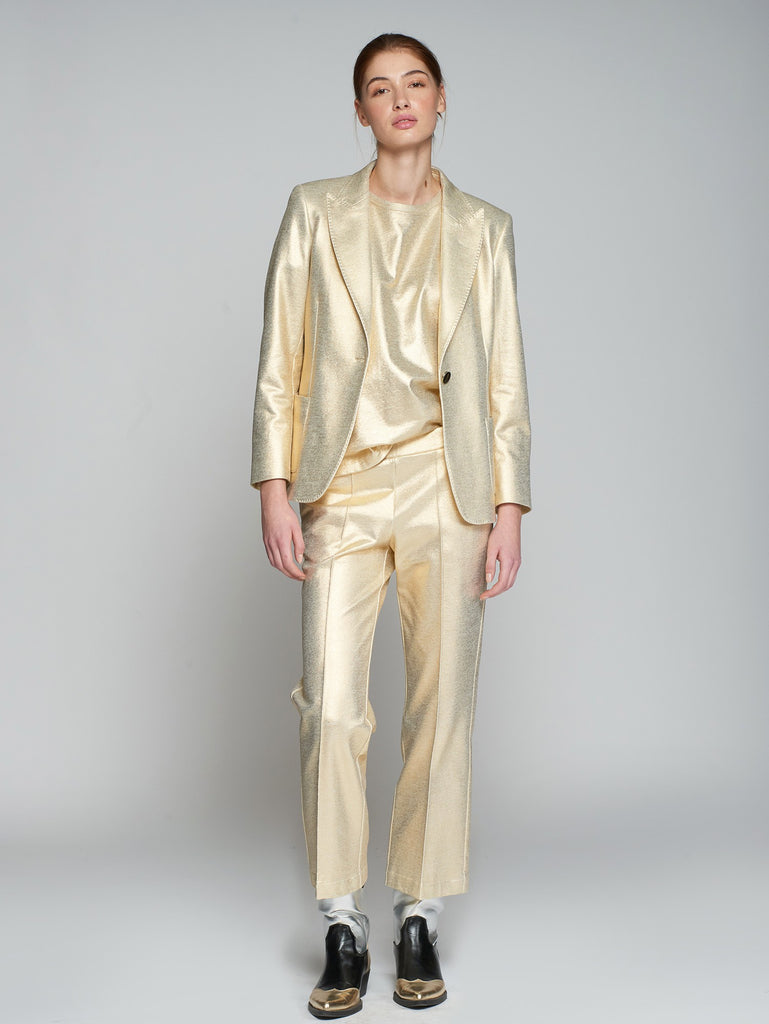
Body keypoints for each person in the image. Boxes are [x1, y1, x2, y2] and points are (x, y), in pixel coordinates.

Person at [251, 32, 532, 1018]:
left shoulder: (485, 228)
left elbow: (503, 376)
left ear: (441, 99)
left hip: (449, 490)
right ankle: (342, 922)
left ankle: (418, 913)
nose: (400, 98)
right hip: (342, 488)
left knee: (440, 704)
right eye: (380, 87)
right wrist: (274, 485)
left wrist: (508, 505)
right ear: (360, 111)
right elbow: (280, 354)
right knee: (330, 706)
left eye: (415, 82)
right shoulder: (314, 211)